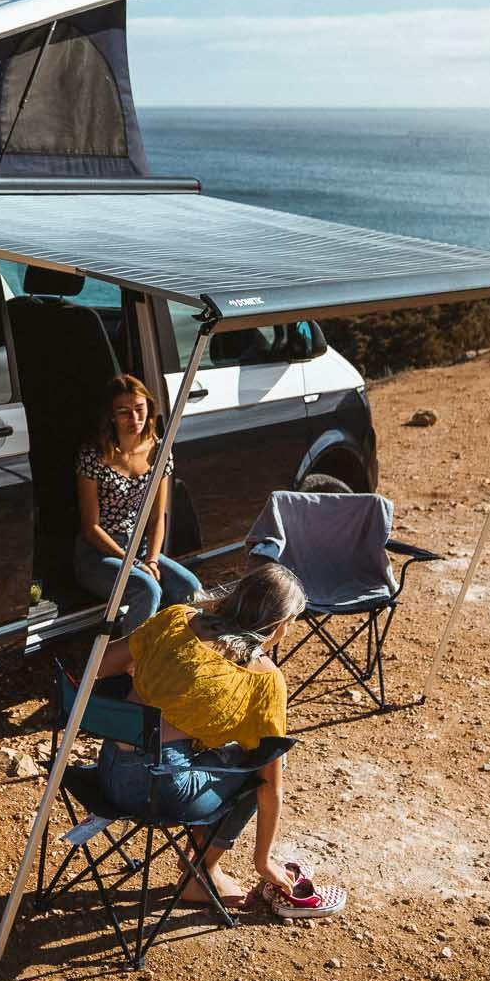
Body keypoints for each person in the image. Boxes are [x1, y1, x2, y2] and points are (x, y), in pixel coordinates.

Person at [109, 560, 348, 919]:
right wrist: (263, 861)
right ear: (278, 625)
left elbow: (99, 666)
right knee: (254, 771)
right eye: (290, 624)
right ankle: (203, 869)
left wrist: (160, 675)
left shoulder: (176, 620)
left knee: (214, 748)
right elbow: (270, 784)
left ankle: (198, 859)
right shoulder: (263, 679)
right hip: (158, 793)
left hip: (108, 772)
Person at [73, 373, 201, 671]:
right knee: (147, 589)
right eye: (124, 411)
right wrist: (132, 562)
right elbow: (90, 528)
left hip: (141, 549)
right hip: (100, 553)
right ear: (111, 416)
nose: (134, 417)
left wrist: (153, 559)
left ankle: (175, 662)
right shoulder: (94, 456)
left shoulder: (158, 451)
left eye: (140, 409)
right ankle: (126, 668)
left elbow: (158, 517)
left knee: (191, 588)